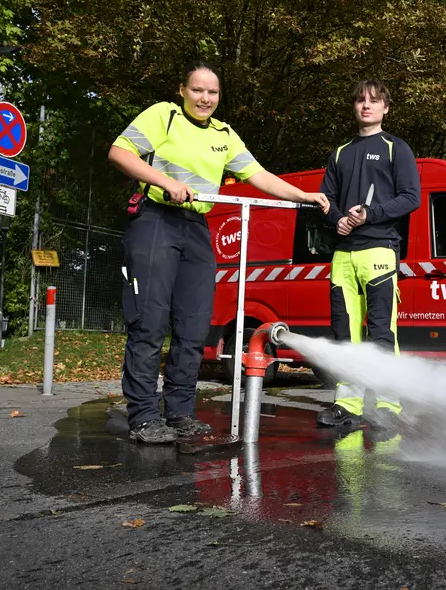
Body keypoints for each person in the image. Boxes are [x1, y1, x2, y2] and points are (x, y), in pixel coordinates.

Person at [109, 61, 329, 444]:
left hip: (196, 227)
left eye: (212, 93)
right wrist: (165, 182)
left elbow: (258, 175)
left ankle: (179, 414)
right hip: (156, 221)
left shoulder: (225, 135)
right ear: (183, 90)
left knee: (194, 326)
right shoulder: (165, 116)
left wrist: (302, 195)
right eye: (197, 90)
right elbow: (120, 152)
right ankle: (144, 417)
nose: (204, 98)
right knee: (150, 323)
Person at [315, 80, 421, 430]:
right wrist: (339, 219)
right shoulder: (341, 152)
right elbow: (325, 199)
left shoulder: (396, 148)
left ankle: (389, 405)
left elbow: (411, 197)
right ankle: (348, 404)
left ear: (385, 108)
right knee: (345, 335)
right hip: (343, 255)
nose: (366, 106)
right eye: (360, 100)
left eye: (374, 101)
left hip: (380, 250)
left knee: (380, 333)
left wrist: (369, 214)